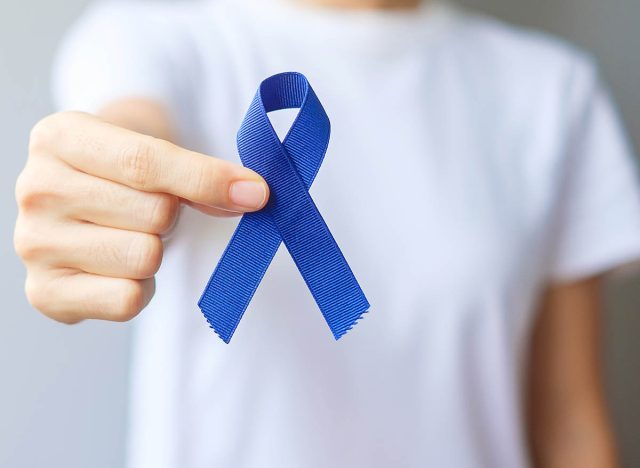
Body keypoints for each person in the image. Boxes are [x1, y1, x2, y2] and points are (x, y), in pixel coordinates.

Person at [12, 0, 640, 466]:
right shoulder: (156, 38)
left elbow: (569, 425)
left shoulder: (552, 92)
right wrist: (106, 187)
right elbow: (130, 131)